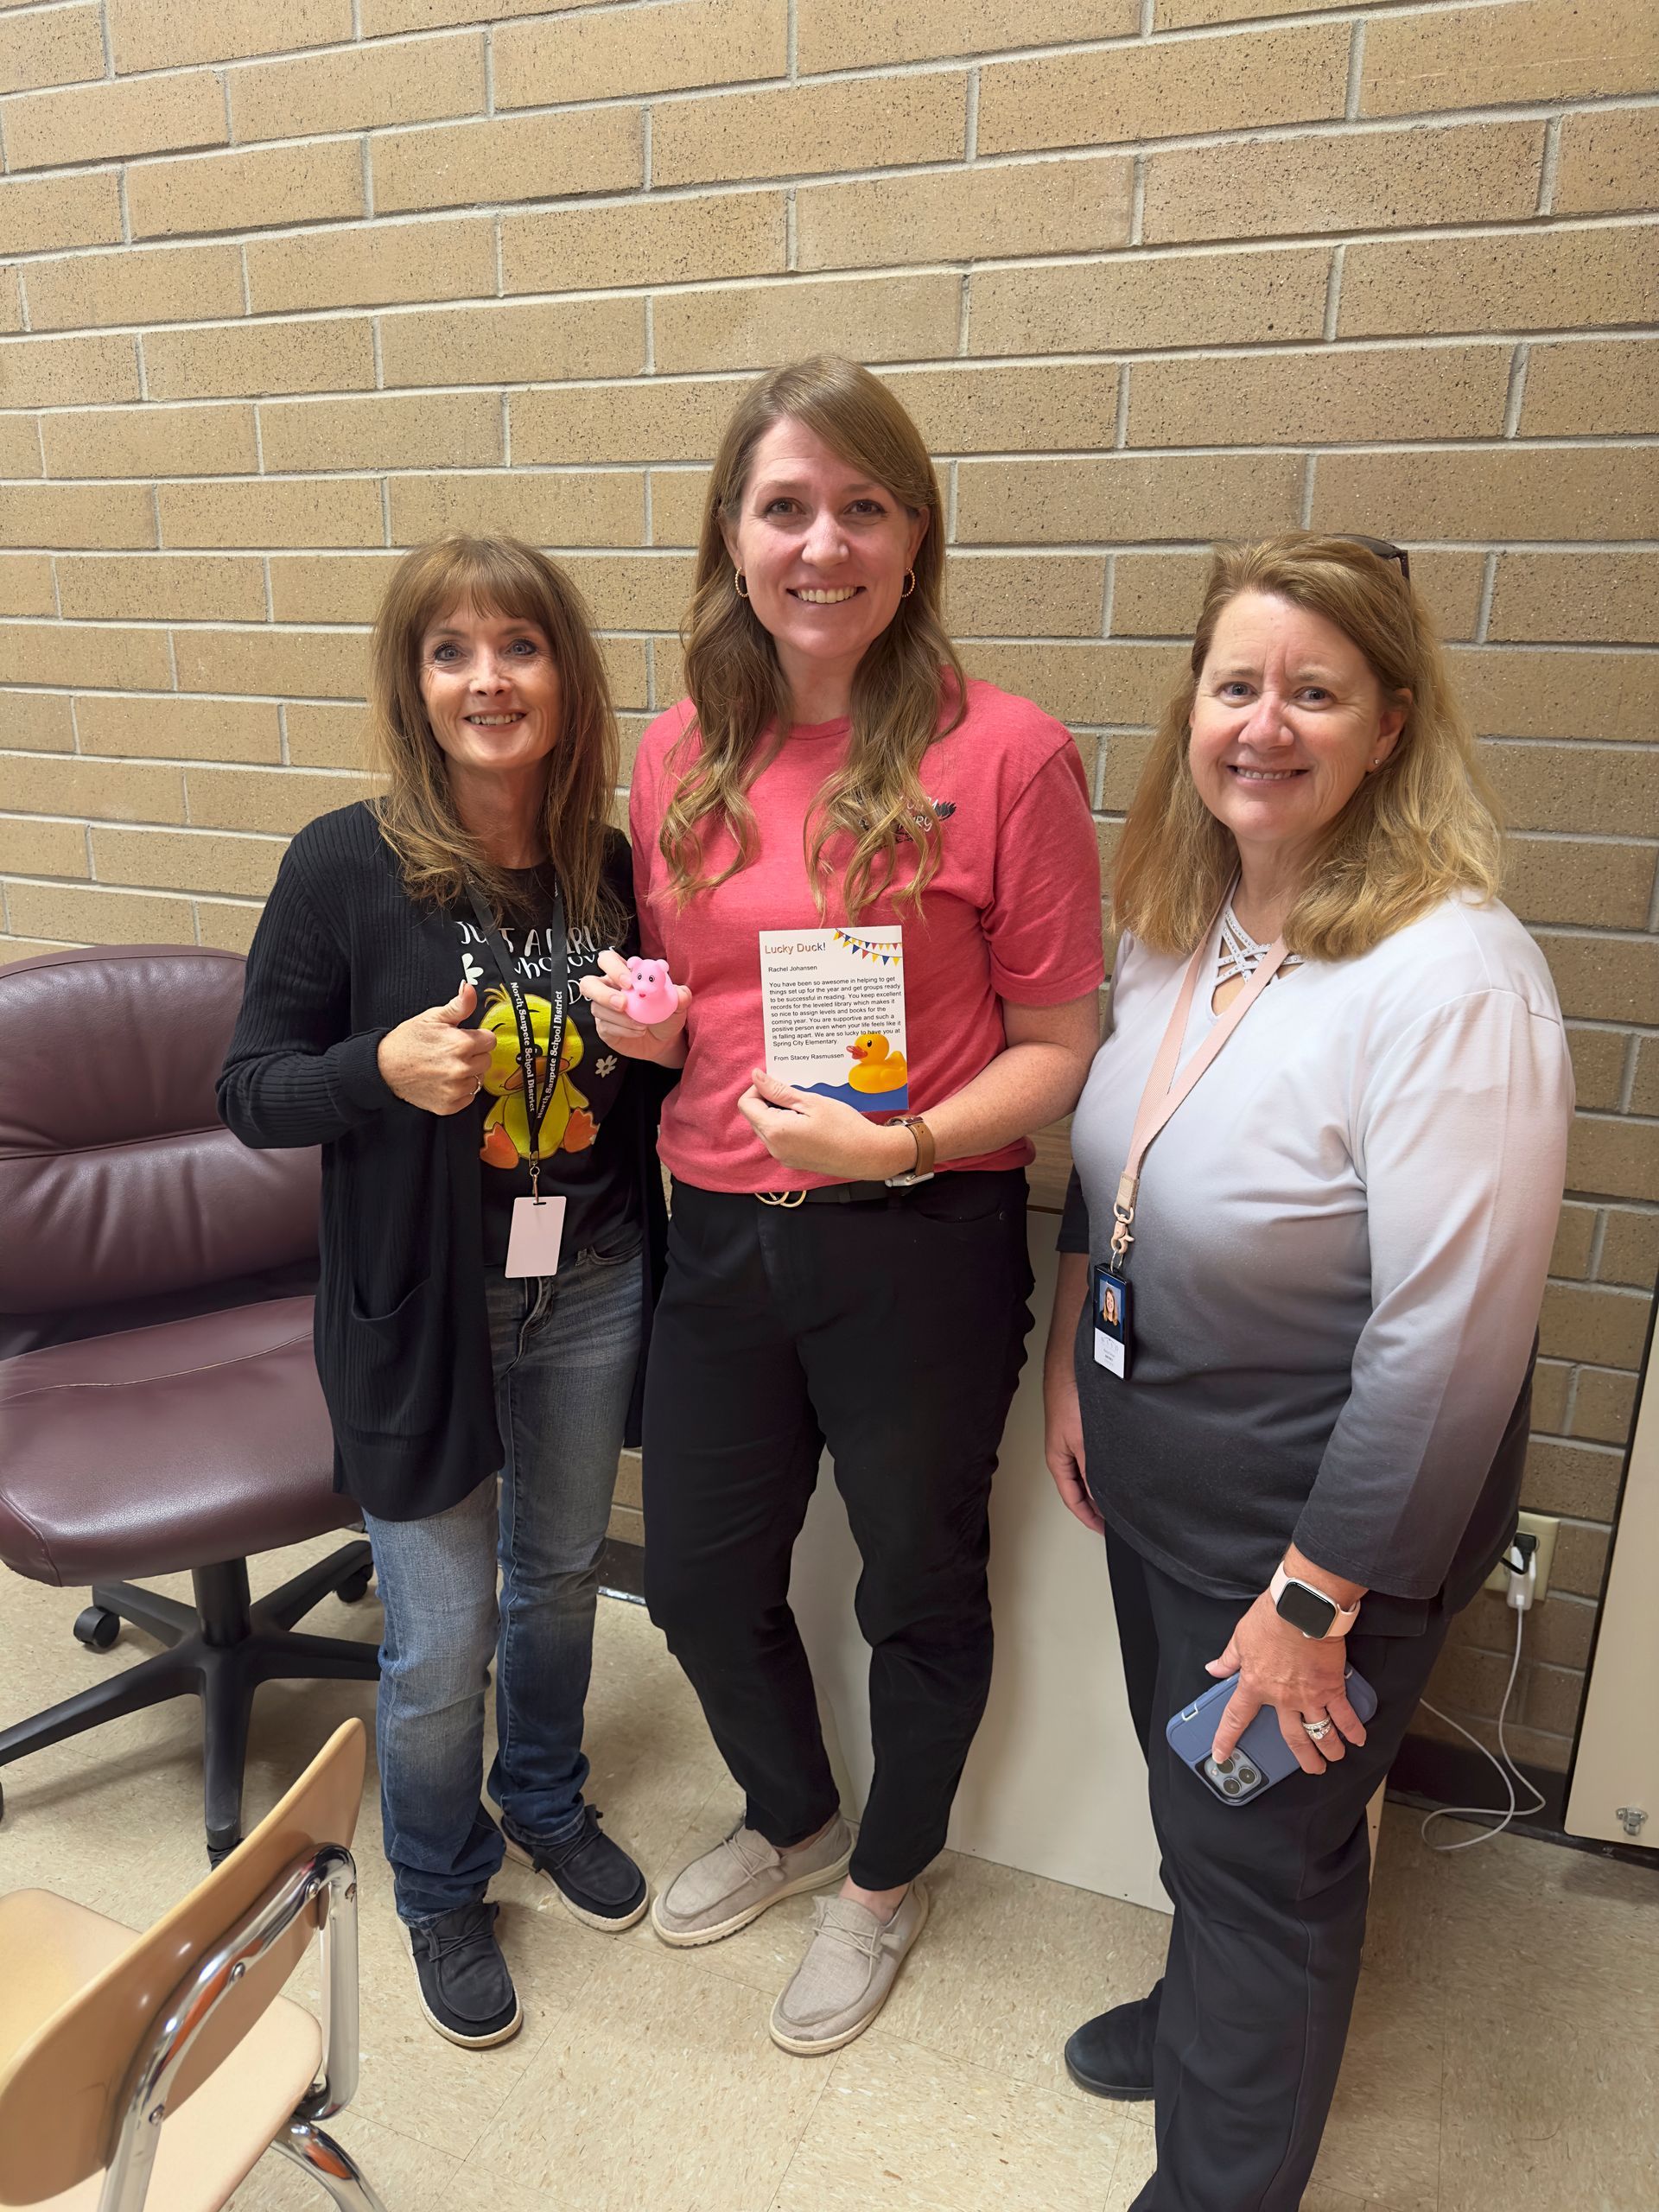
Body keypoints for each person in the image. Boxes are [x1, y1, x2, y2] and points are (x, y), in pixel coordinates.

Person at [582, 356, 1104, 2056]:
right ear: (734, 532)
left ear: (913, 529)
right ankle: (789, 1805)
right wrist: (647, 1035)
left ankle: (885, 1879)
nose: (824, 542)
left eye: (861, 505)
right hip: (721, 1236)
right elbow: (688, 988)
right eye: (786, 505)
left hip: (918, 1241)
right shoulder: (679, 750)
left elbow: (1063, 1045)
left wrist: (906, 1142)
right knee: (695, 1578)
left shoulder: (1009, 753)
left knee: (917, 1585)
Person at [1042, 534, 1573, 2208]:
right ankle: (1215, 2011)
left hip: (1310, 1532)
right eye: (1237, 684)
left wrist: (1319, 1595)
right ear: (1191, 710)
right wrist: (1076, 1366)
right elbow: (1106, 1170)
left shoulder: (1448, 977)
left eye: (1315, 690)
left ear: (1393, 723)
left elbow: (1448, 1341)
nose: (1265, 724)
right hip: (1163, 1477)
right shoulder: (1179, 923)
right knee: (1196, 1793)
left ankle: (1225, 2162)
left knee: (1266, 1847)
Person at [219, 537, 671, 2052]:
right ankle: (436, 1876)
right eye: (452, 650)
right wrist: (377, 1070)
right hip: (424, 1306)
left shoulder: (608, 866)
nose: (490, 679)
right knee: (440, 1635)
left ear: (567, 674)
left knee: (559, 1581)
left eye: (522, 645)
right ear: (414, 683)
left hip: (592, 1279)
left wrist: (664, 1053)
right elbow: (249, 1090)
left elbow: (649, 1067)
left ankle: (542, 1797)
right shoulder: (345, 861)